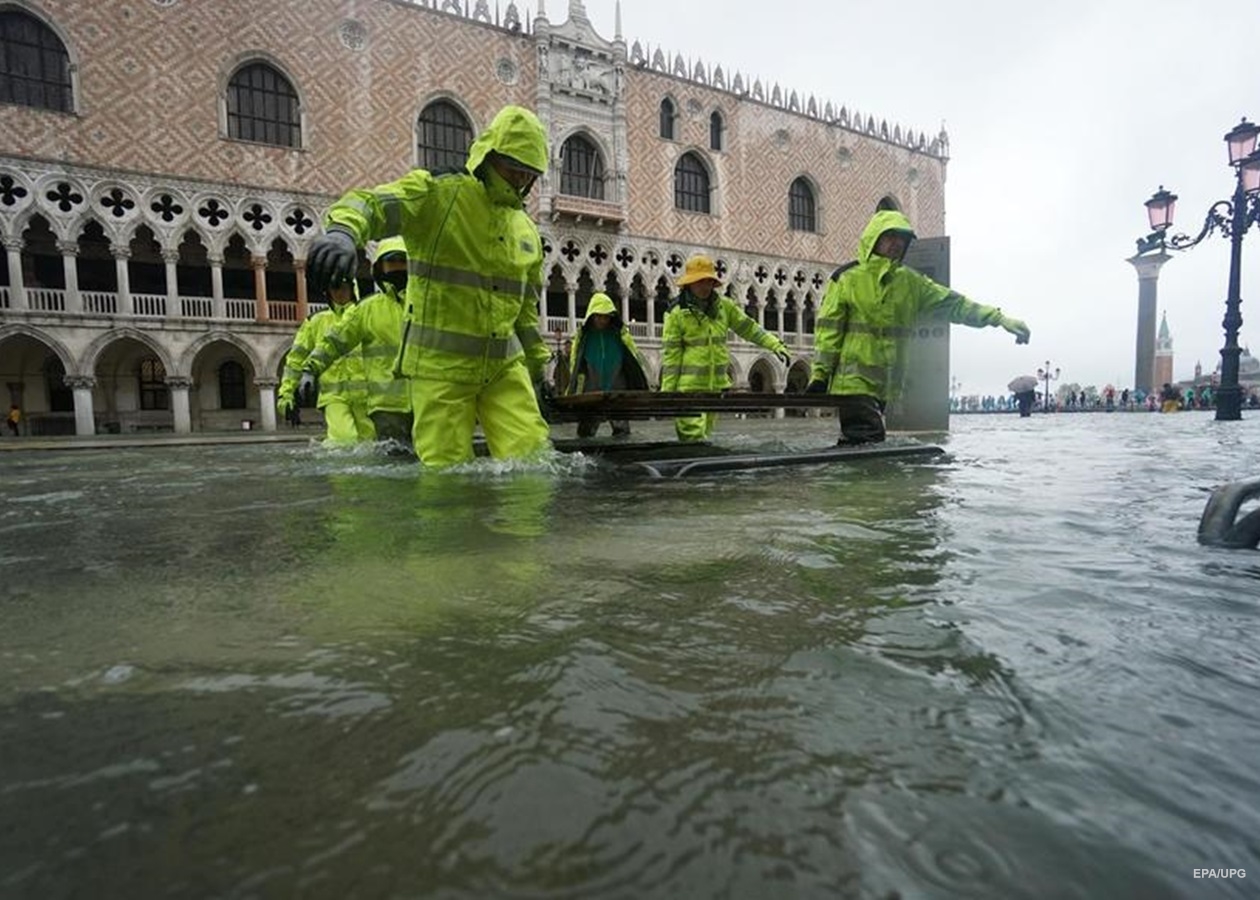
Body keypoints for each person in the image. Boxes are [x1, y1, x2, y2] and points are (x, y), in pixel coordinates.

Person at [305, 105, 552, 468]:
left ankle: (526, 526)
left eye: (527, 173)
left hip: (503, 368)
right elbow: (373, 203)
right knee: (445, 475)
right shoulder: (440, 193)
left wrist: (538, 371)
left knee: (534, 462)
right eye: (512, 167)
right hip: (441, 369)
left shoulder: (526, 230)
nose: (518, 180)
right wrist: (343, 231)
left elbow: (525, 315)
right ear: (488, 155)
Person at [807, 199, 1031, 444]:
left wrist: (999, 318)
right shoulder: (846, 279)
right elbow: (829, 330)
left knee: (860, 445)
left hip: (884, 387)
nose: (896, 243)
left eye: (901, 239)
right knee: (869, 442)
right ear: (874, 238)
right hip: (851, 385)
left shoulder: (912, 283)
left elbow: (955, 304)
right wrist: (820, 375)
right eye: (890, 237)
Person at [660, 254, 790, 442]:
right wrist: (668, 393)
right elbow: (671, 355)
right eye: (699, 281)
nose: (704, 286)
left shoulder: (724, 307)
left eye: (708, 281)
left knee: (705, 437)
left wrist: (774, 344)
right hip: (687, 390)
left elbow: (749, 328)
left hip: (716, 387)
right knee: (693, 439)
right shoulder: (676, 313)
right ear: (689, 284)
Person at [303, 237, 413, 447]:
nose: (398, 268)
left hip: (427, 399)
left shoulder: (427, 305)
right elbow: (334, 342)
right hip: (387, 407)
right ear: (380, 269)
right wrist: (311, 369)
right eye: (391, 263)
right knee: (394, 465)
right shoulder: (367, 308)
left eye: (403, 262)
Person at [276, 277, 374, 445]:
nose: (339, 292)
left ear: (353, 289)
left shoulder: (366, 316)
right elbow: (295, 360)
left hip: (367, 397)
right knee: (343, 440)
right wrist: (286, 394)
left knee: (371, 445)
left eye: (344, 288)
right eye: (334, 288)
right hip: (333, 396)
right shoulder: (315, 321)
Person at [565, 291, 649, 438]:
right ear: (592, 316)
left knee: (621, 430)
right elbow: (576, 362)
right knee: (585, 431)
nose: (602, 320)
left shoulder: (619, 333)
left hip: (617, 387)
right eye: (599, 316)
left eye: (606, 317)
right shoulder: (584, 335)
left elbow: (633, 355)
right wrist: (575, 388)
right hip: (592, 389)